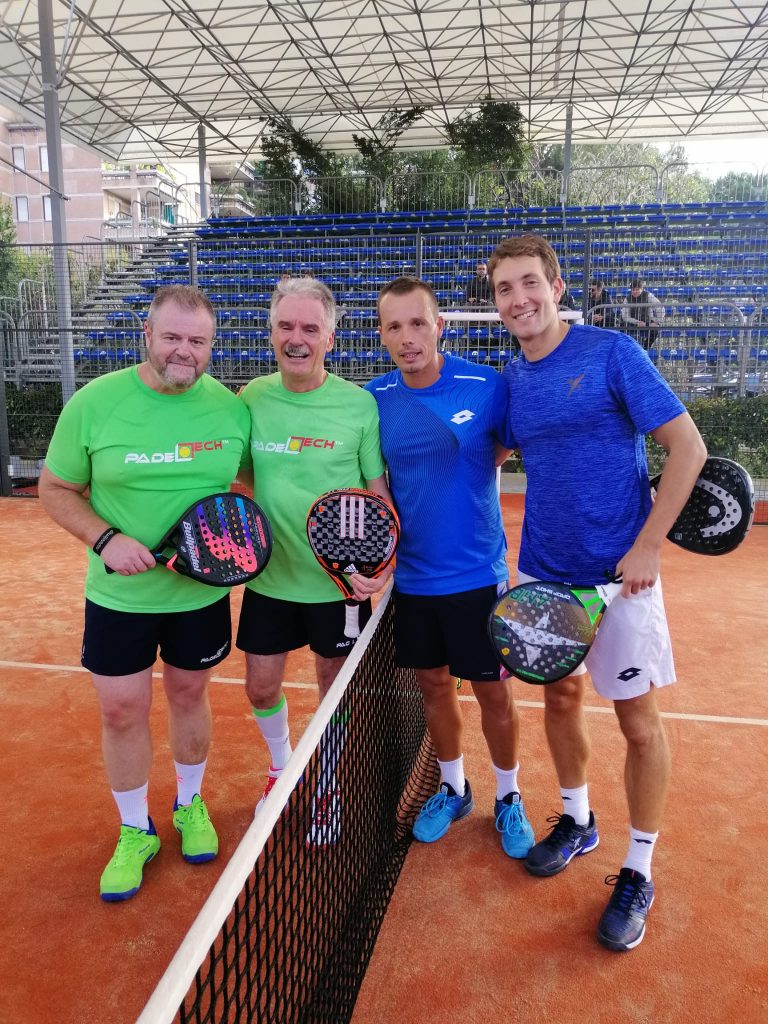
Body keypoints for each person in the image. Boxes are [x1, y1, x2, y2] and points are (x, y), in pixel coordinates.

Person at [488, 234, 706, 951]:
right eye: (504, 289)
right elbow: (489, 455)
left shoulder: (614, 353)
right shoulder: (512, 381)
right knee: (559, 698)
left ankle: (639, 867)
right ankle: (579, 819)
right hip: (544, 571)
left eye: (529, 283)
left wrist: (648, 545)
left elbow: (689, 447)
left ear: (556, 287)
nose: (518, 299)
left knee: (637, 722)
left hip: (621, 579)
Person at [38, 285, 251, 902]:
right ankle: (136, 829)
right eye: (173, 337)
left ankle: (189, 804)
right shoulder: (94, 402)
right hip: (119, 599)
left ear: (212, 346)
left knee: (189, 695)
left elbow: (251, 488)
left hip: (198, 598)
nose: (185, 351)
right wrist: (105, 539)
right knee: (121, 710)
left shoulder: (232, 411)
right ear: (148, 336)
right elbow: (54, 488)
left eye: (198, 341)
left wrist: (223, 547)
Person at [360, 276, 534, 860]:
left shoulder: (485, 384)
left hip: (479, 575)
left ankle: (508, 795)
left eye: (417, 323)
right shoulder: (375, 399)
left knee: (493, 692)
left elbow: (502, 447)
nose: (407, 337)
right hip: (412, 580)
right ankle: (454, 787)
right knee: (433, 686)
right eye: (394, 326)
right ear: (382, 335)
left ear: (439, 326)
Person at [236, 277, 391, 840]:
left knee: (333, 694)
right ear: (271, 333)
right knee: (260, 687)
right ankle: (282, 770)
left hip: (338, 585)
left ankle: (326, 784)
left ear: (330, 337)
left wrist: (379, 567)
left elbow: (377, 494)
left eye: (309, 328)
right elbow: (243, 478)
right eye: (285, 326)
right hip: (270, 581)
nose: (295, 338)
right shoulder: (251, 398)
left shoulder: (359, 405)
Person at [621, 277, 664, 350]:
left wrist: (657, 321)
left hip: (647, 321)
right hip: (633, 322)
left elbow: (660, 308)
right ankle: (628, 349)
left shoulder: (649, 296)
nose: (635, 291)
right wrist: (637, 322)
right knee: (622, 327)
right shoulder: (627, 299)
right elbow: (625, 317)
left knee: (655, 330)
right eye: (633, 289)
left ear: (642, 289)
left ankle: (645, 349)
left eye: (637, 289)